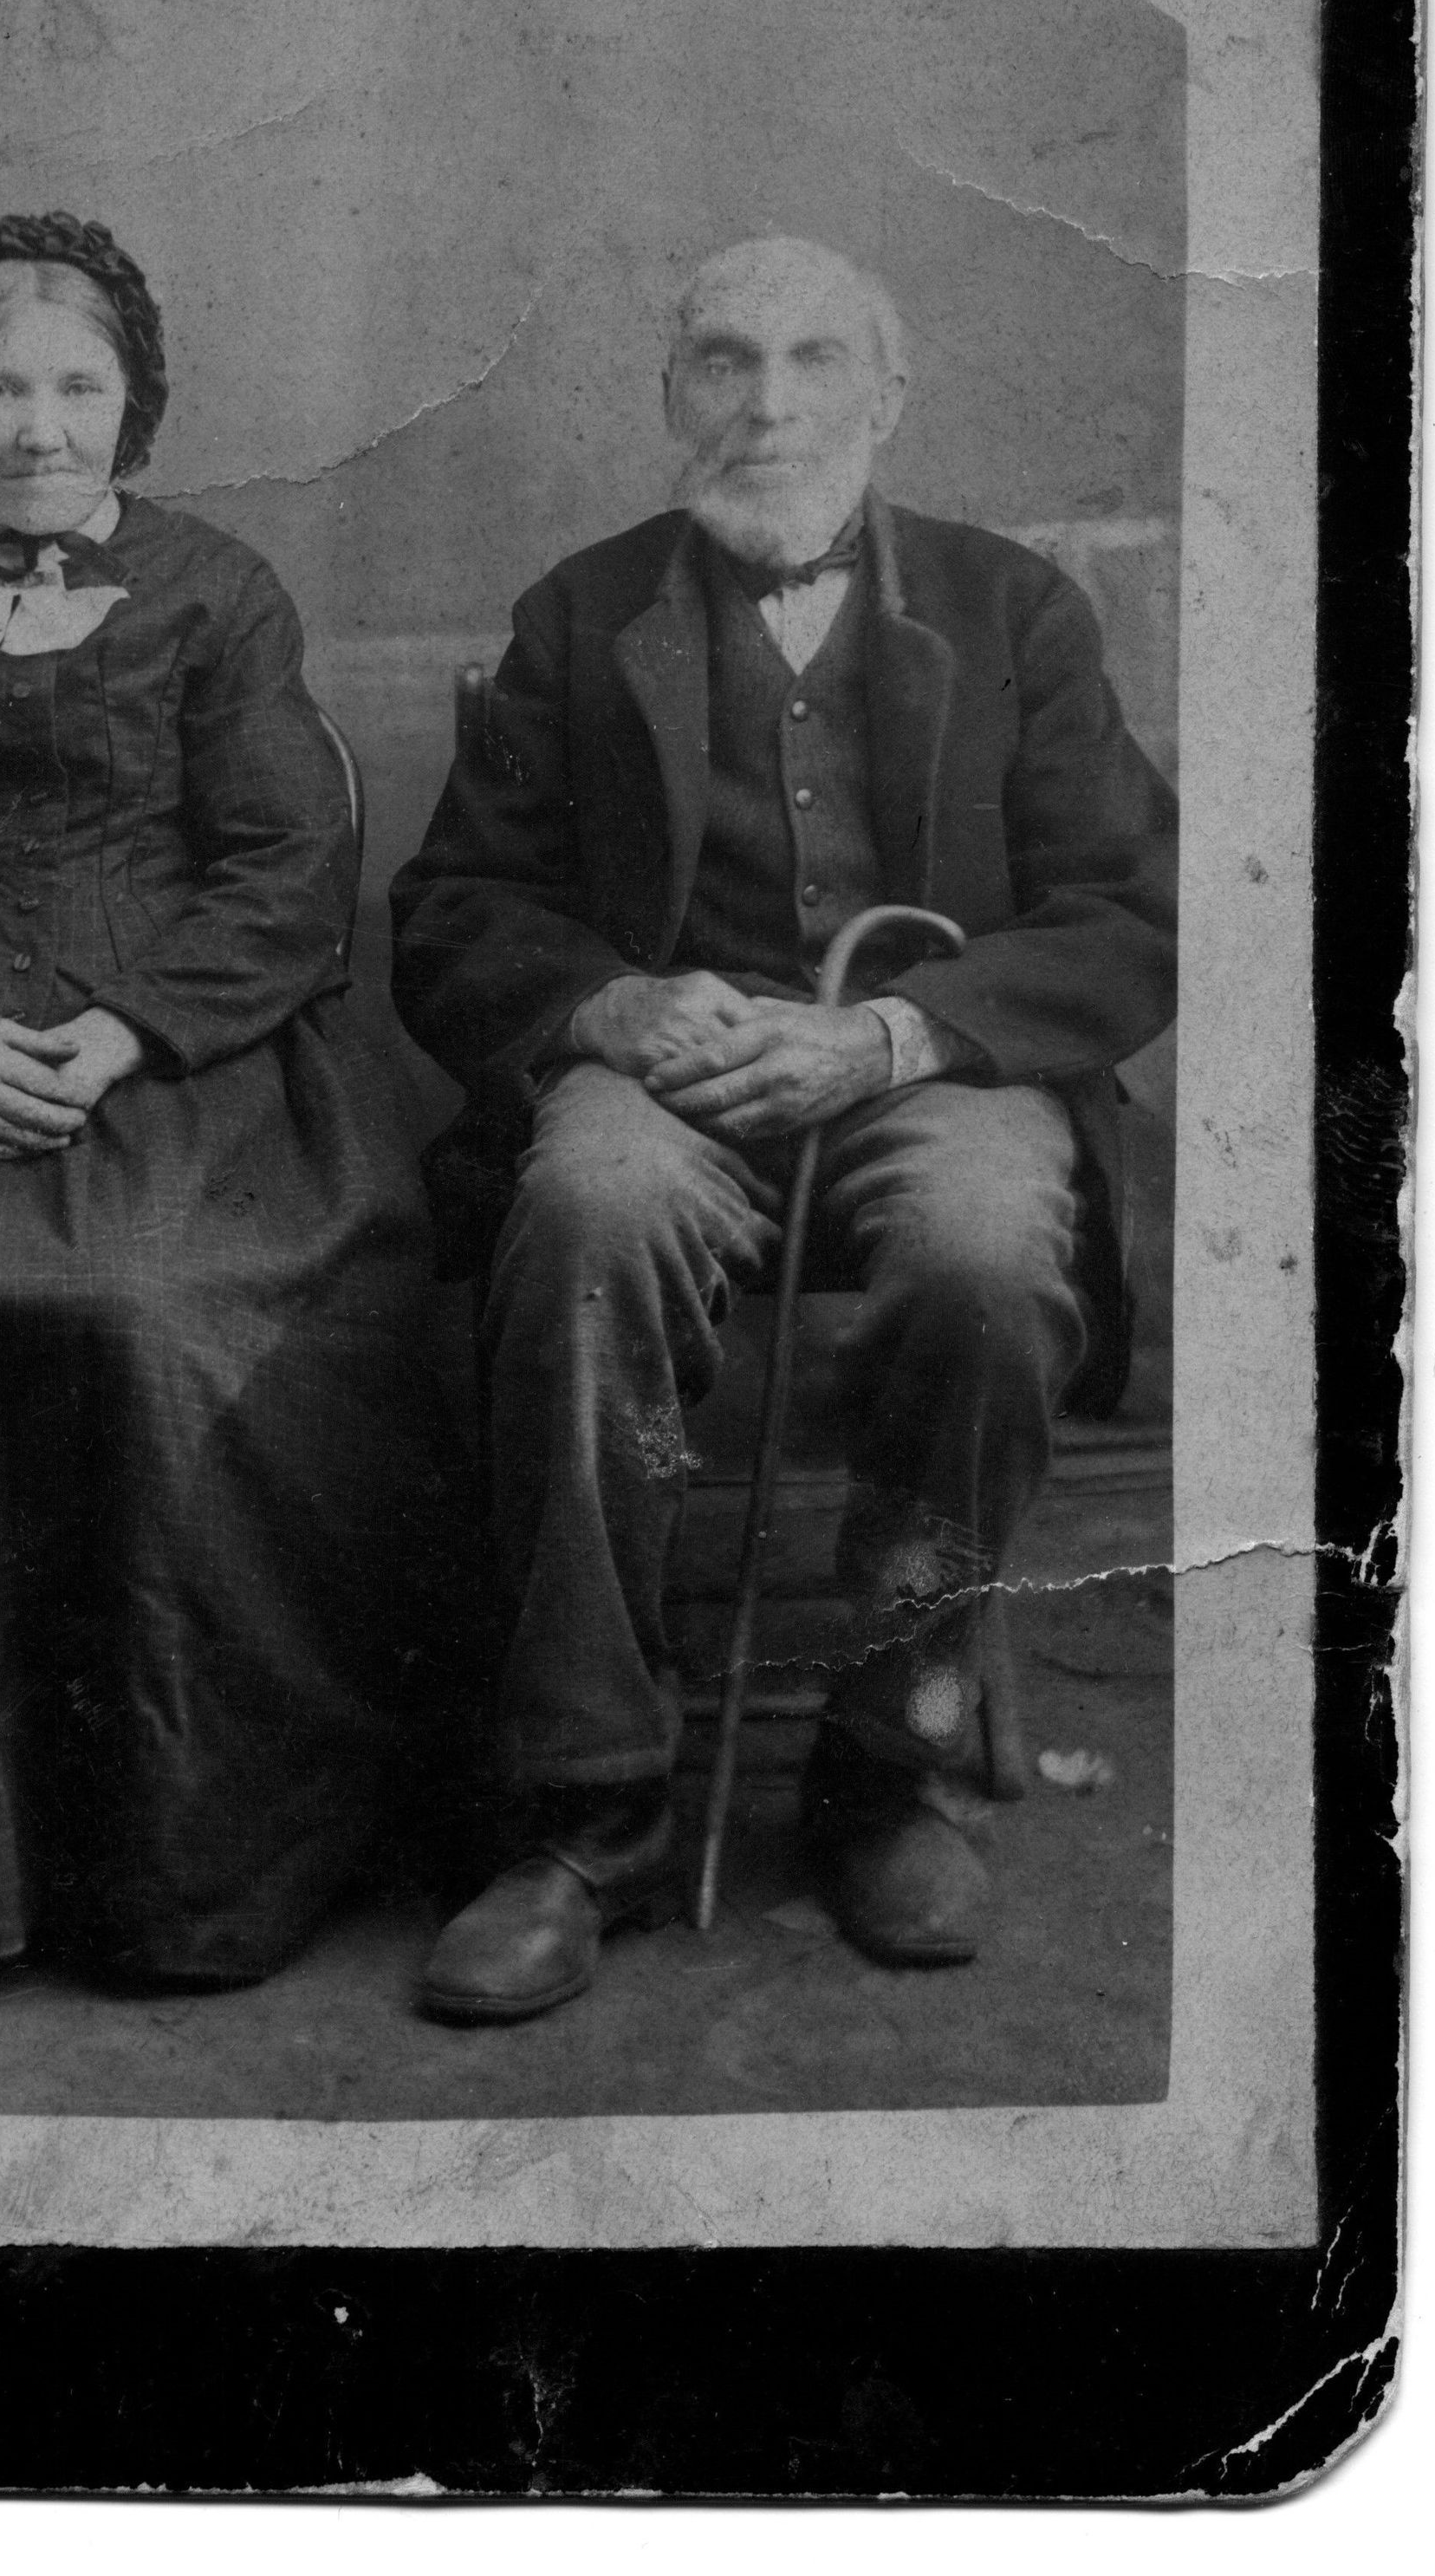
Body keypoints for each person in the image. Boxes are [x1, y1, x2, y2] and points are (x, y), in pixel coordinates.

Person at [388, 236, 1177, 2021]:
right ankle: (591, 1807)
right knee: (582, 1214)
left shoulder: (1015, 609)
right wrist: (614, 1007)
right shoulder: (580, 613)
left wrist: (897, 1030)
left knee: (986, 1253)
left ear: (887, 398)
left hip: (932, 1064)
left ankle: (887, 1763)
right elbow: (456, 908)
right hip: (665, 1073)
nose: (770, 403)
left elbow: (1132, 907)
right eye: (727, 361)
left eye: (817, 360)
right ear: (673, 394)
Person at [0, 210, 464, 1999]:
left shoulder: (219, 591)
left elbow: (286, 868)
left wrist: (126, 1034)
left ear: (133, 405)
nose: (40, 426)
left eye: (77, 387)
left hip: (182, 1047)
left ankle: (171, 1870)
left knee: (150, 1306)